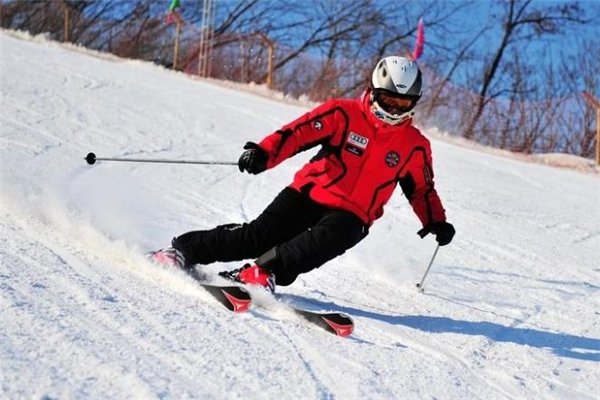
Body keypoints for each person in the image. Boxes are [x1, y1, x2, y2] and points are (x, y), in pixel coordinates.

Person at [149, 56, 455, 293]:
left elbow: (422, 190)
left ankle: (262, 272)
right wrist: (264, 153)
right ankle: (182, 250)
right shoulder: (343, 113)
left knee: (332, 237)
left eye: (404, 102)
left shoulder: (414, 145)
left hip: (353, 214)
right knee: (257, 237)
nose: (395, 107)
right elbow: (297, 133)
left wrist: (435, 220)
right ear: (375, 91)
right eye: (389, 98)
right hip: (309, 193)